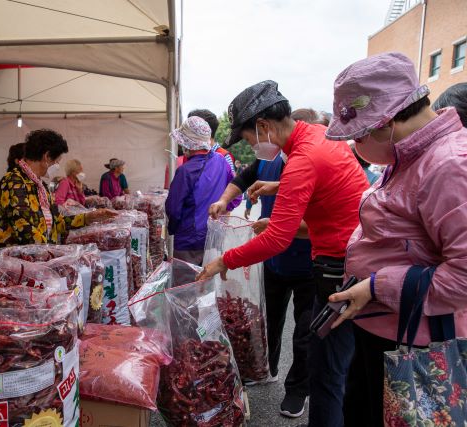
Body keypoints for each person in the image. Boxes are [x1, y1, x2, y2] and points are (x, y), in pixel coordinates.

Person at [198, 80, 368, 427]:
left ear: (263, 127)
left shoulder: (302, 158)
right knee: (339, 370)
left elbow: (277, 238)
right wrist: (279, 184)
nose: (251, 146)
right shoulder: (318, 135)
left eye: (248, 139)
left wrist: (222, 261)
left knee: (326, 373)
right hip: (353, 256)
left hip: (339, 267)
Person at [323, 52, 467, 427]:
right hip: (387, 327)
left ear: (385, 122)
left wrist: (376, 287)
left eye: (357, 134)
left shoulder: (449, 165)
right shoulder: (409, 156)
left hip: (415, 342)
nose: (355, 145)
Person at [208, 106, 323, 419]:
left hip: (310, 266)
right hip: (274, 261)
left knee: (304, 334)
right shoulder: (272, 159)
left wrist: (272, 227)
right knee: (267, 321)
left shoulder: (310, 162)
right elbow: (244, 177)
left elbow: (316, 226)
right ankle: (265, 368)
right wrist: (222, 199)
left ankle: (298, 390)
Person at [0, 129, 116, 249]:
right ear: (47, 157)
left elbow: (58, 223)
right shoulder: (14, 182)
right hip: (14, 266)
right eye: (56, 161)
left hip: (38, 261)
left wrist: (89, 217)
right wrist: (57, 254)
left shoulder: (40, 185)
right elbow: (27, 235)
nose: (57, 166)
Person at [165, 116, 240, 266]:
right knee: (208, 284)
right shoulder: (221, 161)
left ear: (187, 143)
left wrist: (172, 230)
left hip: (189, 242)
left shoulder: (185, 171)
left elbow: (173, 209)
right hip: (214, 237)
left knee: (186, 286)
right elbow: (236, 196)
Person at [188, 109, 236, 173]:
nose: (188, 135)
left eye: (191, 130)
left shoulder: (224, 157)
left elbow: (230, 182)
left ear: (204, 131)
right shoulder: (190, 154)